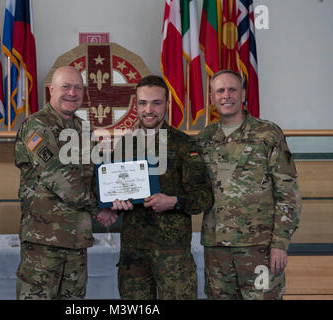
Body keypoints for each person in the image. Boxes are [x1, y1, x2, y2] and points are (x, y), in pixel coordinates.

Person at [101, 75, 214, 299]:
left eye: (156, 103)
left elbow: (203, 197)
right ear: (136, 105)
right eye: (143, 103)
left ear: (167, 104)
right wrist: (112, 205)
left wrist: (174, 201)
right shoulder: (124, 144)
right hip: (134, 253)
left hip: (172, 253)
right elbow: (113, 189)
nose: (149, 110)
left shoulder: (184, 144)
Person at [196, 69, 302, 300]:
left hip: (259, 247)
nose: (226, 95)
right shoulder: (204, 139)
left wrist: (280, 244)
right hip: (217, 249)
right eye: (220, 91)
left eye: (232, 89)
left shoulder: (267, 134)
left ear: (243, 94)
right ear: (212, 98)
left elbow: (288, 193)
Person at [14, 66, 107, 299]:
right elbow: (56, 176)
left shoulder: (84, 130)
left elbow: (96, 173)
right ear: (51, 90)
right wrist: (99, 208)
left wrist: (112, 200)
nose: (72, 93)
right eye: (65, 87)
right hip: (44, 241)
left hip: (77, 240)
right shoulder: (37, 126)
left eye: (78, 88)